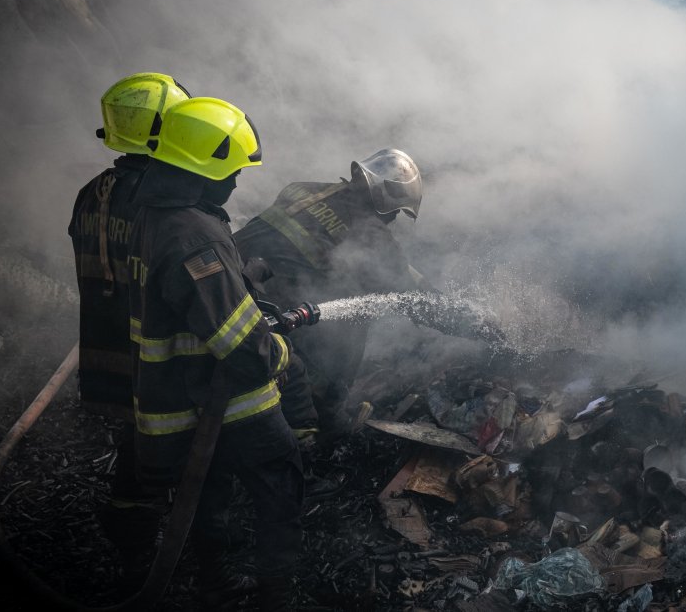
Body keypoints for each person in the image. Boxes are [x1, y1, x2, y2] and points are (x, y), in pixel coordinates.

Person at [128, 97, 301, 610]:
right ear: (206, 169)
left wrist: (239, 280)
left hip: (176, 400)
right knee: (279, 485)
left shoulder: (155, 214)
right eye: (233, 170)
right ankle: (279, 594)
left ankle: (216, 584)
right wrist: (281, 353)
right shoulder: (194, 237)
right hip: (226, 402)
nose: (236, 182)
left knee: (207, 496)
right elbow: (242, 348)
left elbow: (187, 302)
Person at [67, 72, 190, 583]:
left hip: (104, 351)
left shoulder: (92, 192)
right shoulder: (159, 201)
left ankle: (132, 532)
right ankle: (145, 549)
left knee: (135, 445)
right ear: (166, 129)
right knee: (161, 451)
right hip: (153, 358)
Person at [233, 149, 426, 442]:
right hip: (276, 307)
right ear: (386, 203)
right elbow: (411, 296)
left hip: (230, 278)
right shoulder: (373, 234)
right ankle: (327, 414)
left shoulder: (303, 188)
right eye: (397, 212)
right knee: (353, 320)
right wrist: (464, 317)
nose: (395, 219)